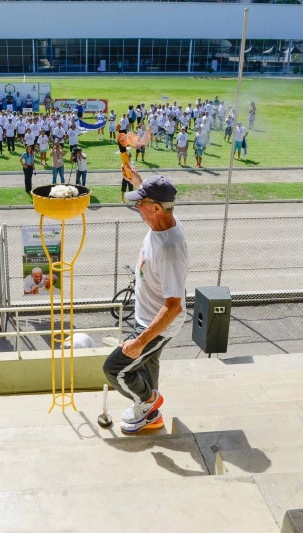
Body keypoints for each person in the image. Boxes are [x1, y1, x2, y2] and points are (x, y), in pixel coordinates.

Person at [103, 170, 188, 434]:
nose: (137, 209)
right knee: (148, 369)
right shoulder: (162, 221)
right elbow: (153, 198)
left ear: (156, 208)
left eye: (141, 204)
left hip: (157, 324)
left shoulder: (169, 249)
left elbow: (174, 306)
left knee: (115, 369)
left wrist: (140, 342)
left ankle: (148, 401)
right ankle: (152, 416)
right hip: (146, 317)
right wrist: (137, 181)